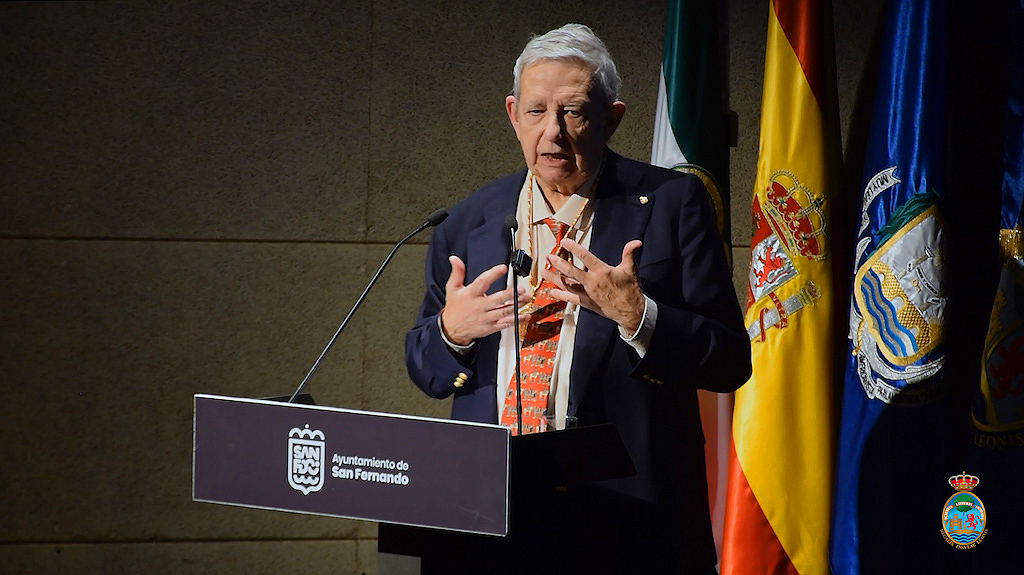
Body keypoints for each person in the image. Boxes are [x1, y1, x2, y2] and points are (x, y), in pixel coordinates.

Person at [405, 23, 750, 573]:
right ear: (513, 114)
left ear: (611, 119)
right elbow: (425, 368)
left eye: (573, 113)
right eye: (537, 111)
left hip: (627, 523)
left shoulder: (672, 203)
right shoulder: (465, 222)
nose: (553, 133)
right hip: (489, 519)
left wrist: (639, 317)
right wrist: (452, 333)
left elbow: (730, 359)